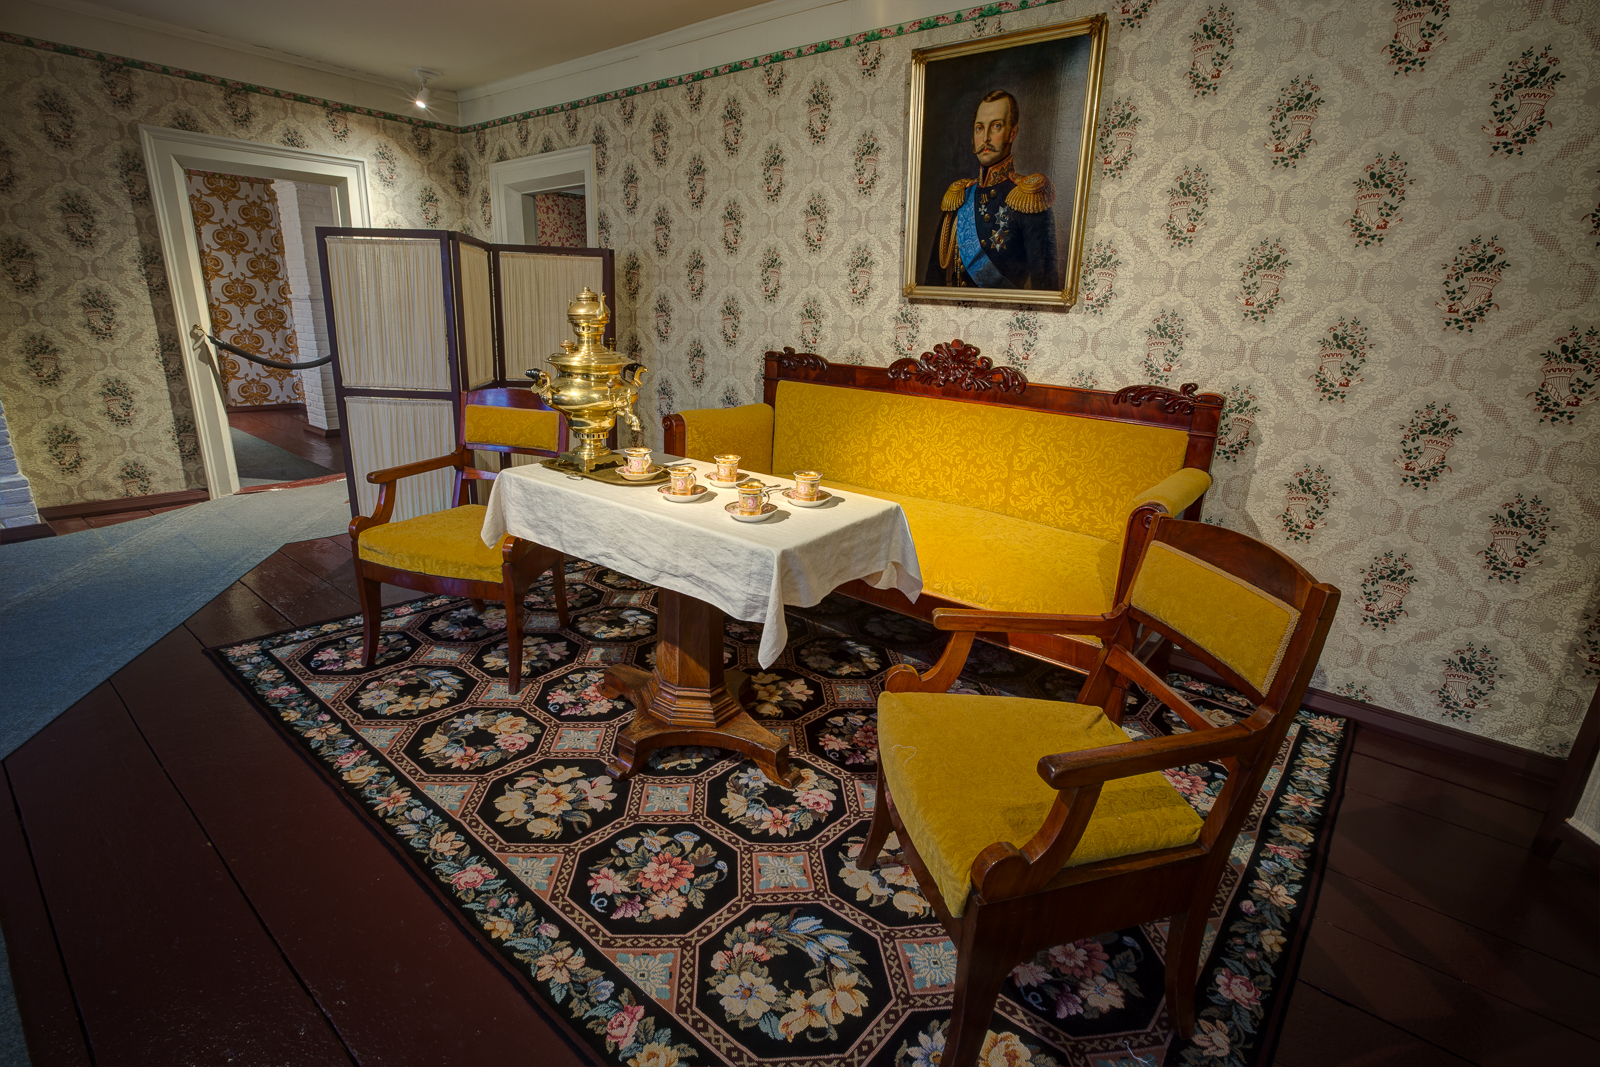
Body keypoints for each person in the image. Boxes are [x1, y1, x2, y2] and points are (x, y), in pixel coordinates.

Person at [928, 89, 1059, 291]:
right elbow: (932, 283)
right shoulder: (959, 197)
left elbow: (1046, 291)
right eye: (980, 128)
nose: (986, 138)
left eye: (996, 126)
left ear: (1012, 133)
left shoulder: (1028, 197)